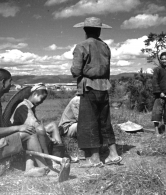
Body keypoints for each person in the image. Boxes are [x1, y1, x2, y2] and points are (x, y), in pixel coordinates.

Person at [71, 17, 122, 167]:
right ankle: (113, 154)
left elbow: (76, 71)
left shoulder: (82, 46)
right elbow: (107, 70)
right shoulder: (105, 46)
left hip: (89, 87)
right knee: (104, 121)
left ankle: (94, 158)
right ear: (99, 30)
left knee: (89, 122)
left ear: (85, 30)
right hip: (104, 87)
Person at [10, 83, 63, 170]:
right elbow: (35, 125)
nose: (41, 102)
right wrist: (49, 137)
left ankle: (59, 154)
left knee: (53, 125)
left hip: (28, 131)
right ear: (35, 94)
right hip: (21, 136)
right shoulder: (24, 107)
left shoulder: (30, 106)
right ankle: (48, 160)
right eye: (41, 99)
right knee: (40, 129)